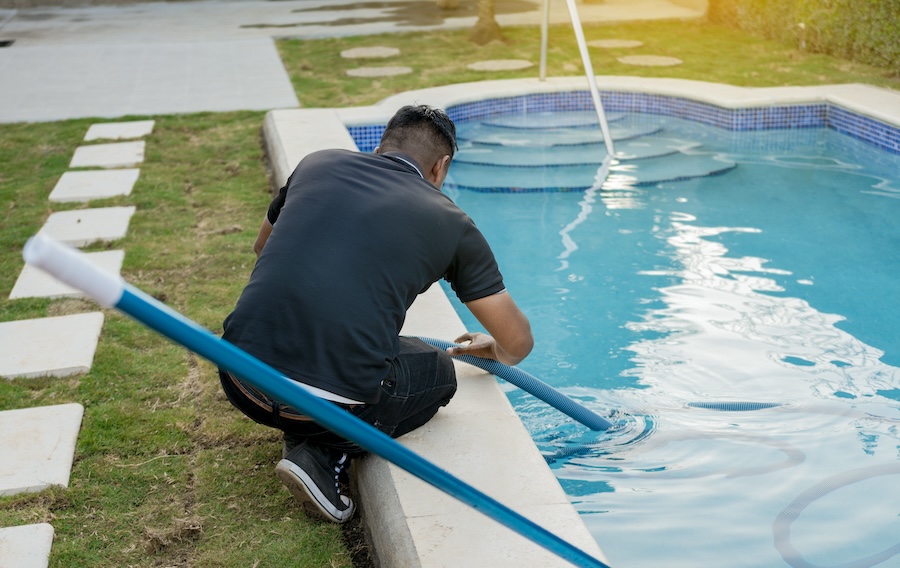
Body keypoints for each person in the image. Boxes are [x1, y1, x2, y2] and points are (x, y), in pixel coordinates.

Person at [218, 104, 533, 524]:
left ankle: (307, 423)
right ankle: (321, 454)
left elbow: (262, 248)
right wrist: (493, 348)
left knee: (397, 349)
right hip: (329, 405)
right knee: (437, 369)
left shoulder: (317, 163)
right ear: (441, 167)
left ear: (382, 145)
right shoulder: (450, 220)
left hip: (240, 378)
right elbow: (518, 343)